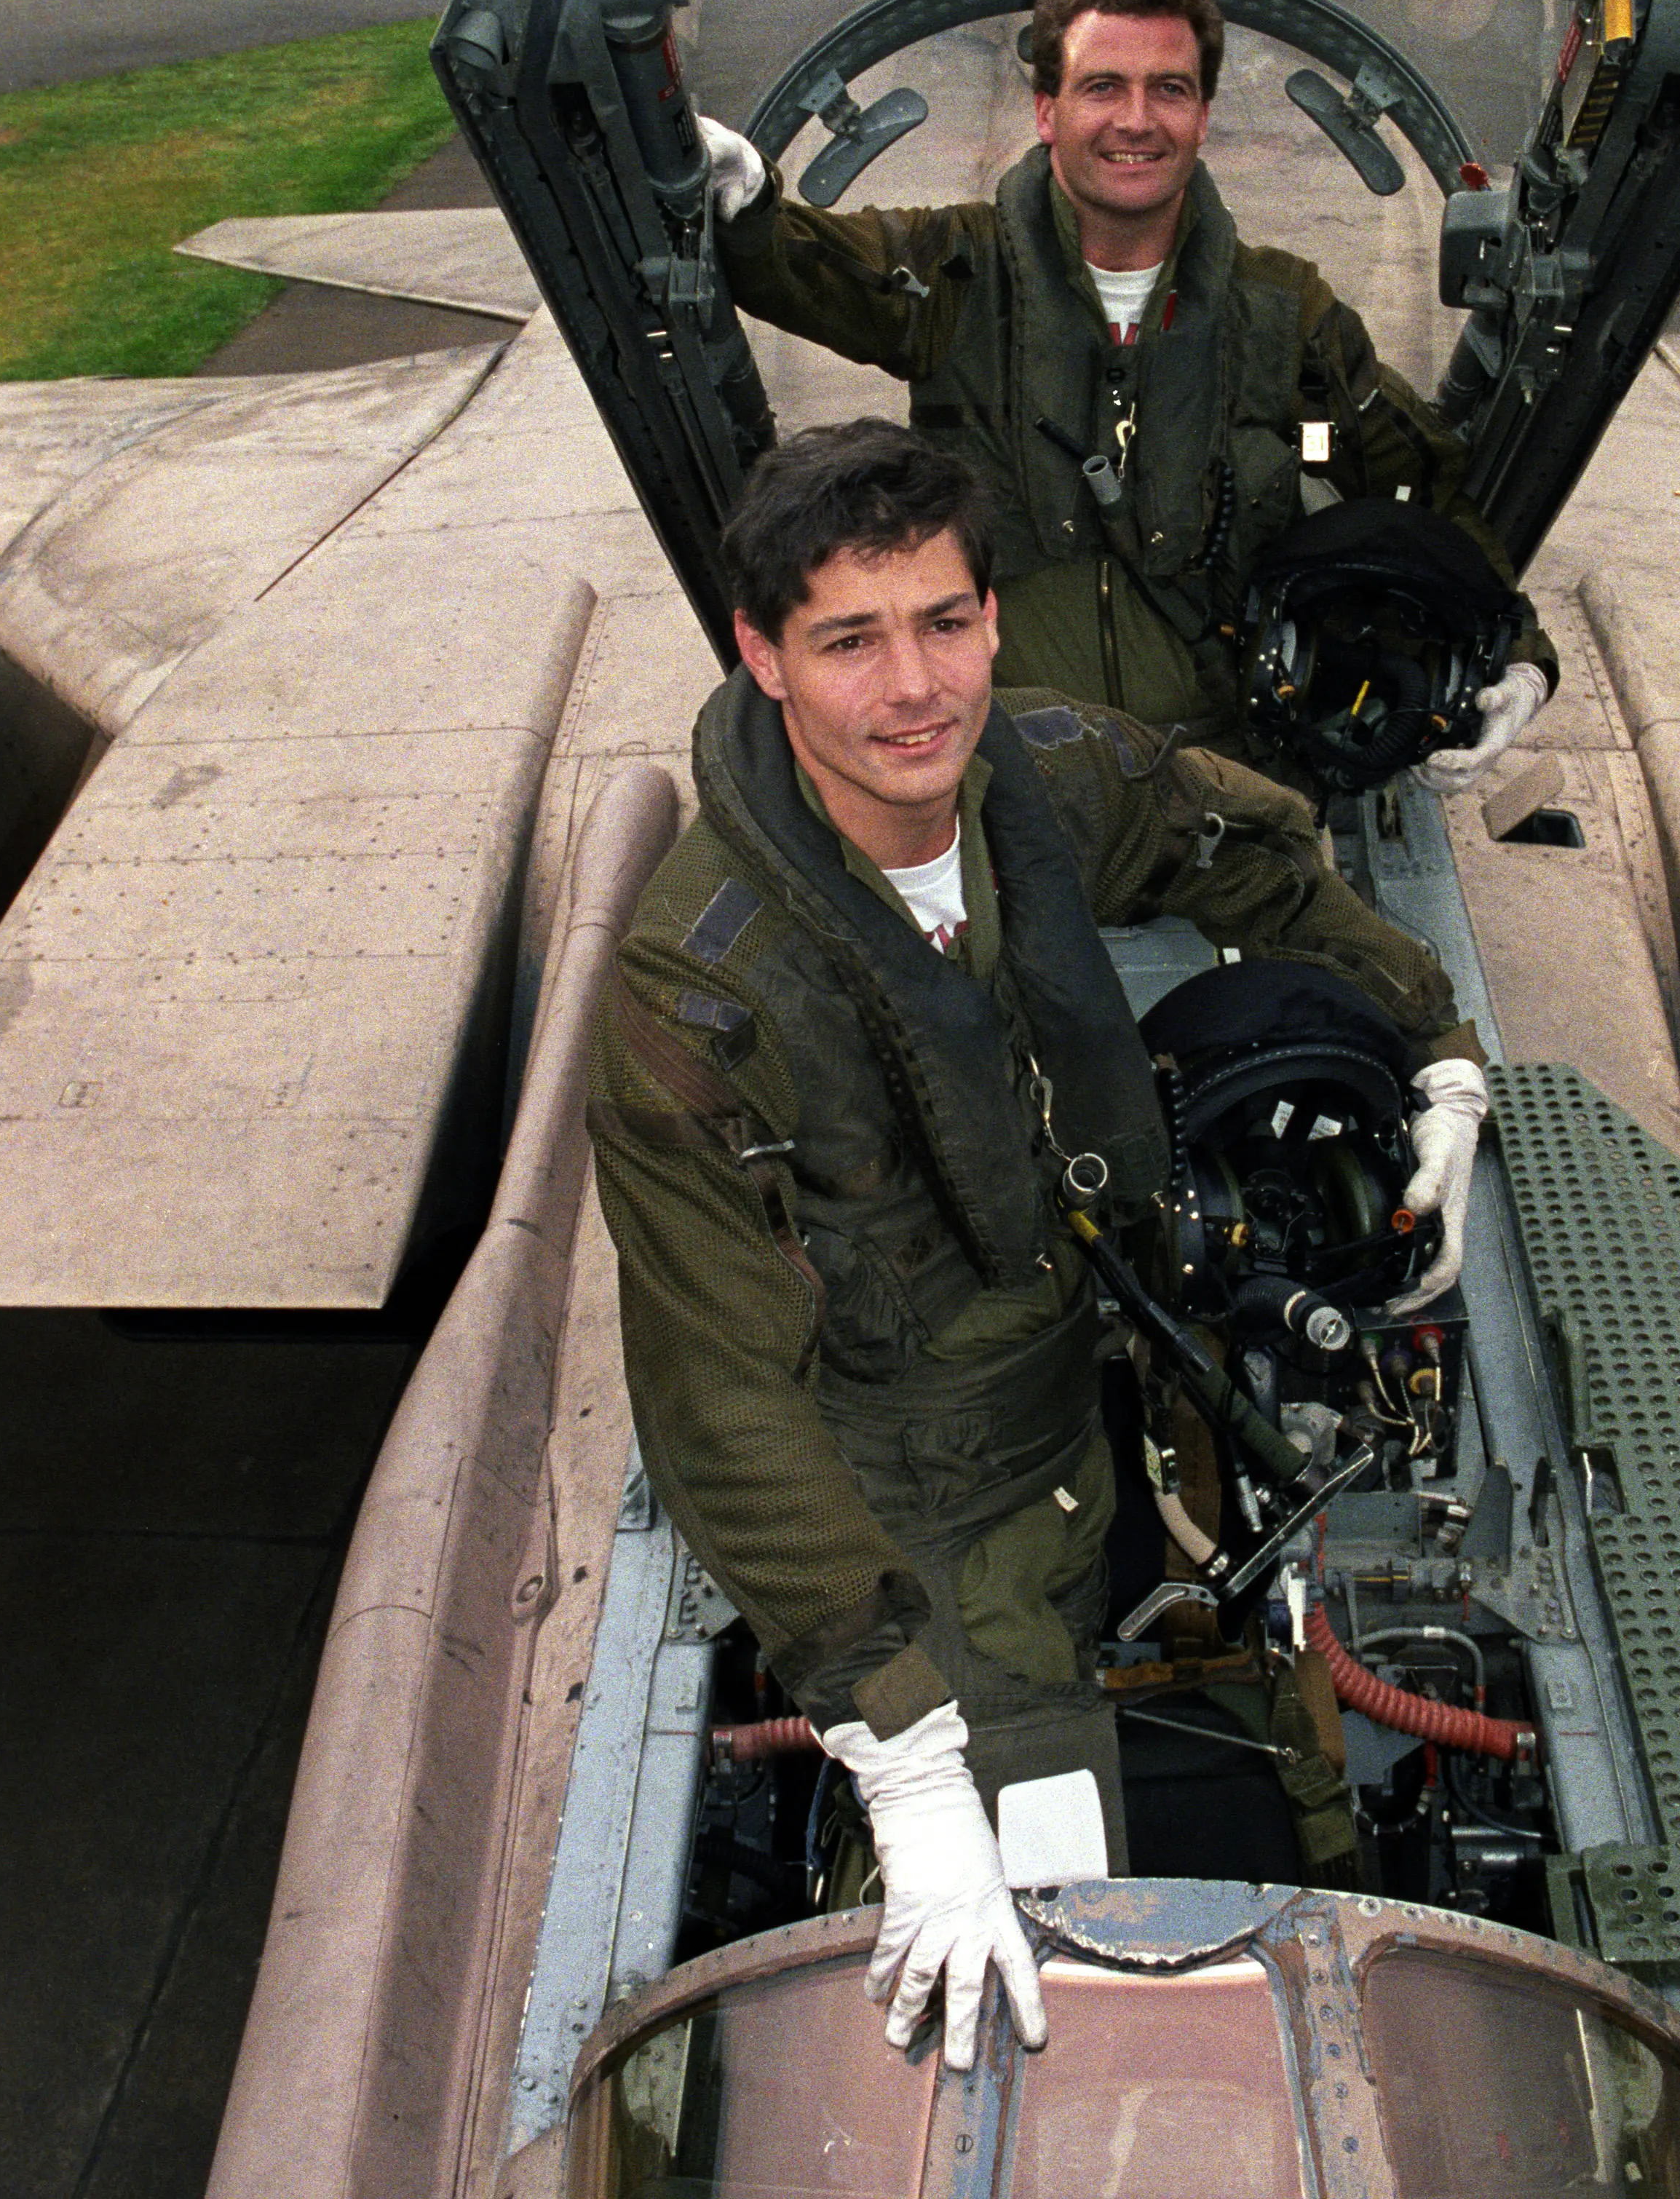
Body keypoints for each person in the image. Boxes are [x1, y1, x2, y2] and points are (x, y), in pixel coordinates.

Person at [586, 419, 1488, 2072]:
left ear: (995, 616)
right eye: (849, 639)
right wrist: (901, 1741)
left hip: (1112, 1391)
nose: (912, 686)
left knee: (1296, 1784)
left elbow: (1264, 855)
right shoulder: (695, 999)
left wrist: (1433, 1043)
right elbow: (723, 1403)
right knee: (1057, 2006)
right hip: (913, 1518)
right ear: (762, 657)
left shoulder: (1049, 785)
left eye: (941, 621)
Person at [698, 0, 1554, 795]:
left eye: (1168, 89)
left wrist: (1518, 663)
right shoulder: (954, 271)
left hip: (1228, 782)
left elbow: (1429, 495)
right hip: (1002, 775)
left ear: (1203, 115)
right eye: (1102, 87)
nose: (1136, 120)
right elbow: (800, 261)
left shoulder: (1285, 314)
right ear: (1046, 110)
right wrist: (736, 195)